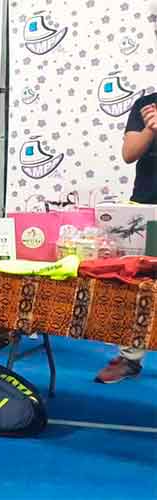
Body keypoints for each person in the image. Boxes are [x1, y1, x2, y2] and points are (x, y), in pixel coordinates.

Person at [95, 94, 156, 383]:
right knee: (138, 284)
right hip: (147, 207)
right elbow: (129, 153)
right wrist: (150, 130)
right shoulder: (148, 104)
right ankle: (130, 358)